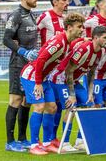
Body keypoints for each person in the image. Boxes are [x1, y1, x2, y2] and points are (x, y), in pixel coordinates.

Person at [20, 13, 85, 155]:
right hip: (32, 77)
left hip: (44, 78)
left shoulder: (68, 43)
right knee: (39, 106)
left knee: (52, 107)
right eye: (79, 27)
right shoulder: (59, 41)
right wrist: (38, 83)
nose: (82, 30)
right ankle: (34, 145)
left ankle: (48, 142)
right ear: (69, 27)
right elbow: (41, 60)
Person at [57, 26, 106, 151]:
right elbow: (68, 71)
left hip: (75, 81)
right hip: (60, 79)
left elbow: (91, 73)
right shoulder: (84, 49)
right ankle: (64, 143)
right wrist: (72, 94)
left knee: (89, 104)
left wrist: (90, 92)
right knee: (70, 107)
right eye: (105, 37)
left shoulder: (101, 51)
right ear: (96, 38)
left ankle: (80, 141)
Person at [3, 0, 39, 152]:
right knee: (15, 101)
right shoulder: (16, 15)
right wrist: (23, 51)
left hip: (30, 65)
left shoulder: (31, 15)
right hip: (18, 63)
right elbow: (7, 39)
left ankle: (22, 138)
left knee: (26, 102)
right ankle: (10, 142)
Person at [35, 0, 70, 148]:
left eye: (67, 0)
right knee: (51, 104)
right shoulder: (45, 17)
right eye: (64, 0)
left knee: (59, 104)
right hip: (48, 67)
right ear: (55, 2)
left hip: (61, 67)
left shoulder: (67, 19)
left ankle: (53, 138)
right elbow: (31, 32)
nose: (67, 3)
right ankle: (45, 139)